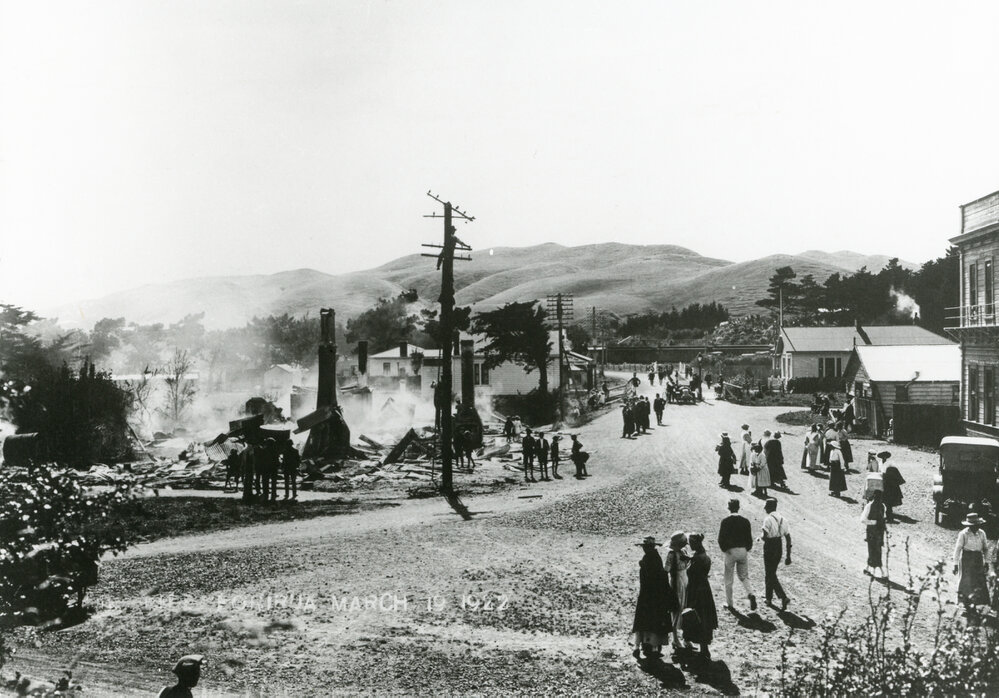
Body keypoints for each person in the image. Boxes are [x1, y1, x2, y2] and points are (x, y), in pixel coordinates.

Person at [631, 536, 675, 660]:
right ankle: (653, 646)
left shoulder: (647, 560)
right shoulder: (656, 559)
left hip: (647, 594)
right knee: (654, 619)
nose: (644, 549)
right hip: (655, 595)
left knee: (643, 619)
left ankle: (640, 645)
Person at [717, 499, 757, 611]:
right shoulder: (745, 521)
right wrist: (746, 549)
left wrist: (725, 549)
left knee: (728, 579)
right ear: (738, 507)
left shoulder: (725, 521)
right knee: (744, 576)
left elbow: (721, 539)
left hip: (731, 551)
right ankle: (751, 593)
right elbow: (749, 539)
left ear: (729, 507)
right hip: (743, 550)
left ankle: (730, 603)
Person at [685, 533, 719, 660]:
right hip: (705, 590)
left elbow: (693, 574)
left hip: (697, 591)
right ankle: (704, 649)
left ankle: (703, 650)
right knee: (705, 618)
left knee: (697, 617)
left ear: (695, 543)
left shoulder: (697, 559)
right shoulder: (703, 556)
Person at [954, 512, 991, 610]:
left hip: (978, 559)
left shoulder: (982, 533)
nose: (976, 527)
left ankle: (977, 604)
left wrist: (986, 562)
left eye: (977, 525)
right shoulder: (963, 534)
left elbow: (985, 549)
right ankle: (965, 604)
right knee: (966, 580)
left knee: (979, 581)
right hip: (967, 558)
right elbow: (958, 549)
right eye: (973, 526)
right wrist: (955, 563)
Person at [761, 498, 791, 611]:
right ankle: (769, 598)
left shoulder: (768, 519)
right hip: (779, 546)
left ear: (769, 507)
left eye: (766, 505)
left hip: (769, 547)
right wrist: (788, 555)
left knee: (769, 573)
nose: (764, 508)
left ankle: (782, 597)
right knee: (771, 572)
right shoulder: (783, 519)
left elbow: (764, 536)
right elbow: (788, 538)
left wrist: (762, 538)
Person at [666, 531, 691, 649]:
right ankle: (675, 638)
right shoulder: (672, 555)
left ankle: (686, 637)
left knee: (685, 607)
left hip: (684, 579)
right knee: (677, 608)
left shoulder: (684, 552)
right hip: (677, 582)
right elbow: (667, 569)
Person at [861, 489, 887, 578]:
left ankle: (869, 568)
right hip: (872, 533)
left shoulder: (882, 506)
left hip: (878, 533)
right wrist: (874, 522)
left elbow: (884, 518)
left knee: (875, 551)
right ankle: (879, 571)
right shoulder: (869, 506)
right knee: (873, 551)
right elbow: (863, 519)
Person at [882, 455, 905, 522]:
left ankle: (889, 517)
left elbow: (884, 477)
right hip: (894, 488)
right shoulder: (893, 467)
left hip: (887, 488)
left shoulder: (886, 468)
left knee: (887, 502)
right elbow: (900, 479)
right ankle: (890, 516)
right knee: (889, 503)